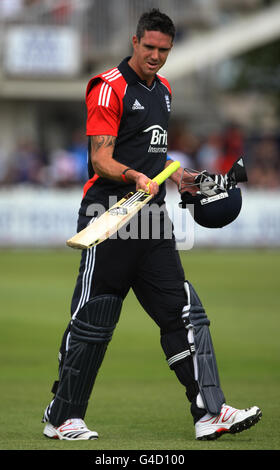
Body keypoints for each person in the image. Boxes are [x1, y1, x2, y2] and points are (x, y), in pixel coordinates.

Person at [42, 9, 262, 441]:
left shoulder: (163, 91)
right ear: (134, 41)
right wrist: (132, 176)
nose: (156, 56)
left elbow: (154, 158)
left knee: (184, 313)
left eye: (164, 50)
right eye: (150, 48)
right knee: (94, 319)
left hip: (151, 218)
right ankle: (62, 417)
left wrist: (182, 178)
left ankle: (209, 412)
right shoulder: (108, 88)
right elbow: (100, 158)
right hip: (108, 214)